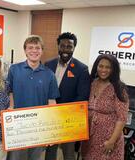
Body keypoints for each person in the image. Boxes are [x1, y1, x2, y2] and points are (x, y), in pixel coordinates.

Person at [6, 35, 59, 160]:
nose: (34, 51)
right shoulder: (14, 70)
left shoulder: (49, 74)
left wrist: (52, 130)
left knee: (34, 157)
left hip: (38, 126)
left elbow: (52, 101)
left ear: (42, 51)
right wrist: (11, 107)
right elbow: (10, 92)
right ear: (25, 50)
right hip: (17, 124)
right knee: (15, 157)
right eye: (30, 47)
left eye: (37, 48)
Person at [45, 32, 90, 160]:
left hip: (69, 119)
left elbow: (82, 96)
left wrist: (62, 113)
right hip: (50, 118)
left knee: (69, 153)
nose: (65, 49)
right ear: (58, 46)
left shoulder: (82, 69)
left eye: (69, 47)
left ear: (74, 48)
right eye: (62, 46)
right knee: (50, 151)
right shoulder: (48, 65)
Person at [81, 54, 129, 160]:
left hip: (108, 138)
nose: (104, 70)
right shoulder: (91, 83)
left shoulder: (119, 88)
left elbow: (122, 118)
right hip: (89, 137)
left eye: (108, 67)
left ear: (114, 69)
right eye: (101, 66)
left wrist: (112, 141)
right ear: (96, 67)